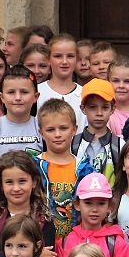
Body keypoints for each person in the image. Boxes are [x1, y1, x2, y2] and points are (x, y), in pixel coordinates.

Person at [57, 172, 129, 257]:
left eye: (101, 203)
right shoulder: (64, 243)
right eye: (88, 203)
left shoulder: (118, 244)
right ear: (77, 205)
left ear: (109, 206)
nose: (94, 209)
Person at [36, 99, 80, 240]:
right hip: (40, 246)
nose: (57, 134)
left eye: (63, 128)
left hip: (75, 248)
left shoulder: (84, 169)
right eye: (50, 130)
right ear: (41, 133)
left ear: (74, 129)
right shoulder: (33, 167)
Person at [0, 65, 43, 161]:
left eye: (24, 92)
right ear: (2, 97)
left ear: (36, 96)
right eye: (11, 92)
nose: (18, 97)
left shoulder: (44, 130)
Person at [74, 78, 122, 185]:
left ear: (113, 109)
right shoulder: (73, 144)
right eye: (93, 107)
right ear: (83, 108)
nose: (99, 113)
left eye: (105, 107)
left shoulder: (120, 145)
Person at [37, 34, 86, 130]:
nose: (64, 61)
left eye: (70, 56)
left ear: (77, 59)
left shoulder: (85, 94)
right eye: (58, 56)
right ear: (48, 59)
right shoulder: (37, 92)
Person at [108, 59, 129, 136]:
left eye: (127, 81)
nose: (121, 86)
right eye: (116, 81)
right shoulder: (106, 114)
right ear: (108, 82)